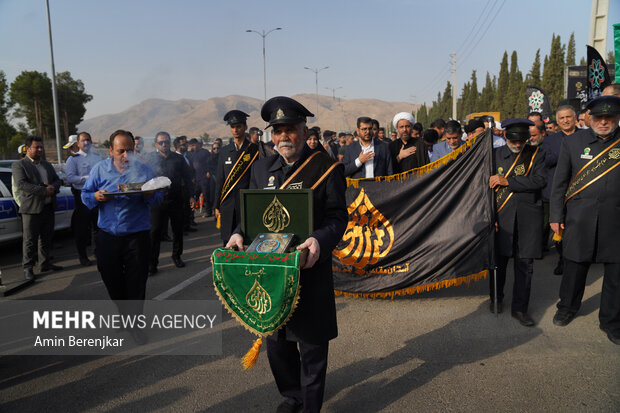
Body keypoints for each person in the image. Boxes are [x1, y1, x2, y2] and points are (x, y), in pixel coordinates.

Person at [227, 96, 347, 413]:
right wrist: (238, 233)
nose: (283, 137)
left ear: (303, 130)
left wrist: (319, 241)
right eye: (277, 131)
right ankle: (292, 395)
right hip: (270, 277)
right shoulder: (260, 169)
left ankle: (309, 406)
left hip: (309, 271)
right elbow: (250, 217)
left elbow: (337, 218)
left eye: (289, 129)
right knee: (278, 347)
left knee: (310, 346)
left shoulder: (326, 168)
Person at [549, 96, 620, 345]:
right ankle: (567, 307)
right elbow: (559, 183)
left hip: (615, 220)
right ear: (589, 118)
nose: (603, 122)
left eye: (609, 118)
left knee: (616, 274)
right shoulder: (573, 142)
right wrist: (556, 216)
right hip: (579, 219)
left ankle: (611, 321)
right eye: (599, 117)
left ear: (617, 118)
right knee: (574, 268)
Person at [81, 130, 162, 344]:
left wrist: (150, 194)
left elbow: (158, 197)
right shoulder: (100, 170)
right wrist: (96, 196)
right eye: (120, 151)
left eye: (130, 150)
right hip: (107, 236)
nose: (126, 156)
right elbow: (86, 195)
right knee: (112, 280)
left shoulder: (144, 170)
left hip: (137, 236)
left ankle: (134, 325)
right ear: (110, 150)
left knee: (136, 283)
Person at [489, 119, 546, 326]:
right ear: (505, 137)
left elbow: (540, 180)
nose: (517, 144)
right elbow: (486, 190)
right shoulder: (494, 156)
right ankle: (496, 298)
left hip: (528, 217)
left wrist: (509, 181)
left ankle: (520, 308)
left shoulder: (537, 154)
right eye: (513, 139)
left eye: (522, 140)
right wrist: (491, 217)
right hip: (502, 217)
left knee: (525, 265)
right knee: (499, 263)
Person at [12, 136, 63, 280]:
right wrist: (43, 191)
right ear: (28, 149)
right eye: (37, 147)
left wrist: (53, 187)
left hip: (48, 207)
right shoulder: (19, 165)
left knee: (46, 238)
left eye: (41, 147)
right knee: (29, 240)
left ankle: (45, 263)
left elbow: (58, 180)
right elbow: (21, 184)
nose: (40, 149)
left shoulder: (47, 165)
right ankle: (28, 268)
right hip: (31, 209)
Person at [145, 131, 194, 273]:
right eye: (161, 142)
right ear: (156, 144)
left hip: (176, 199)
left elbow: (188, 178)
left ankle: (177, 256)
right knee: (154, 232)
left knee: (178, 230)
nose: (164, 144)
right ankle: (152, 262)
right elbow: (145, 179)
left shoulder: (178, 159)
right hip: (156, 201)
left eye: (166, 141)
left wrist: (192, 196)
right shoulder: (150, 159)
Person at [543, 105, 578, 275]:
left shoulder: (586, 136)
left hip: (580, 191)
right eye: (562, 118)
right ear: (557, 121)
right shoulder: (551, 140)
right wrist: (566, 152)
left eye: (568, 117)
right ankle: (563, 259)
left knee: (577, 227)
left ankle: (576, 259)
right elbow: (545, 161)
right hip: (557, 192)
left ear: (575, 118)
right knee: (559, 228)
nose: (565, 120)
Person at [214, 110, 258, 244]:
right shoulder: (224, 151)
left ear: (245, 127)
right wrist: (216, 205)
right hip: (227, 203)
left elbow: (257, 177)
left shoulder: (254, 149)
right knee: (227, 241)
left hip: (246, 202)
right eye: (233, 127)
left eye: (239, 126)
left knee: (247, 240)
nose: (236, 130)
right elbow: (220, 179)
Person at [64, 131, 102, 266]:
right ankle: (83, 256)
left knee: (98, 227)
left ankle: (98, 253)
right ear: (78, 144)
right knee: (82, 229)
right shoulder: (73, 159)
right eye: (83, 141)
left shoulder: (98, 158)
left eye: (88, 140)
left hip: (97, 196)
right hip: (81, 197)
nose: (86, 143)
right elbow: (70, 178)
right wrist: (85, 179)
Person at [173, 135, 197, 234]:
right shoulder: (174, 158)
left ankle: (187, 225)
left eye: (186, 144)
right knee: (180, 209)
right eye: (183, 144)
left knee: (187, 207)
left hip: (188, 185)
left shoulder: (187, 156)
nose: (185, 146)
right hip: (179, 187)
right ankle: (181, 228)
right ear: (177, 145)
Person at [189, 138, 213, 217]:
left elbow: (210, 162)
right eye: (192, 145)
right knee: (194, 195)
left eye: (194, 145)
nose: (193, 147)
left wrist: (209, 171)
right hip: (196, 178)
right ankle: (191, 214)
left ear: (199, 144)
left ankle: (208, 212)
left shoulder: (205, 152)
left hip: (204, 177)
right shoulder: (192, 154)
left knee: (206, 195)